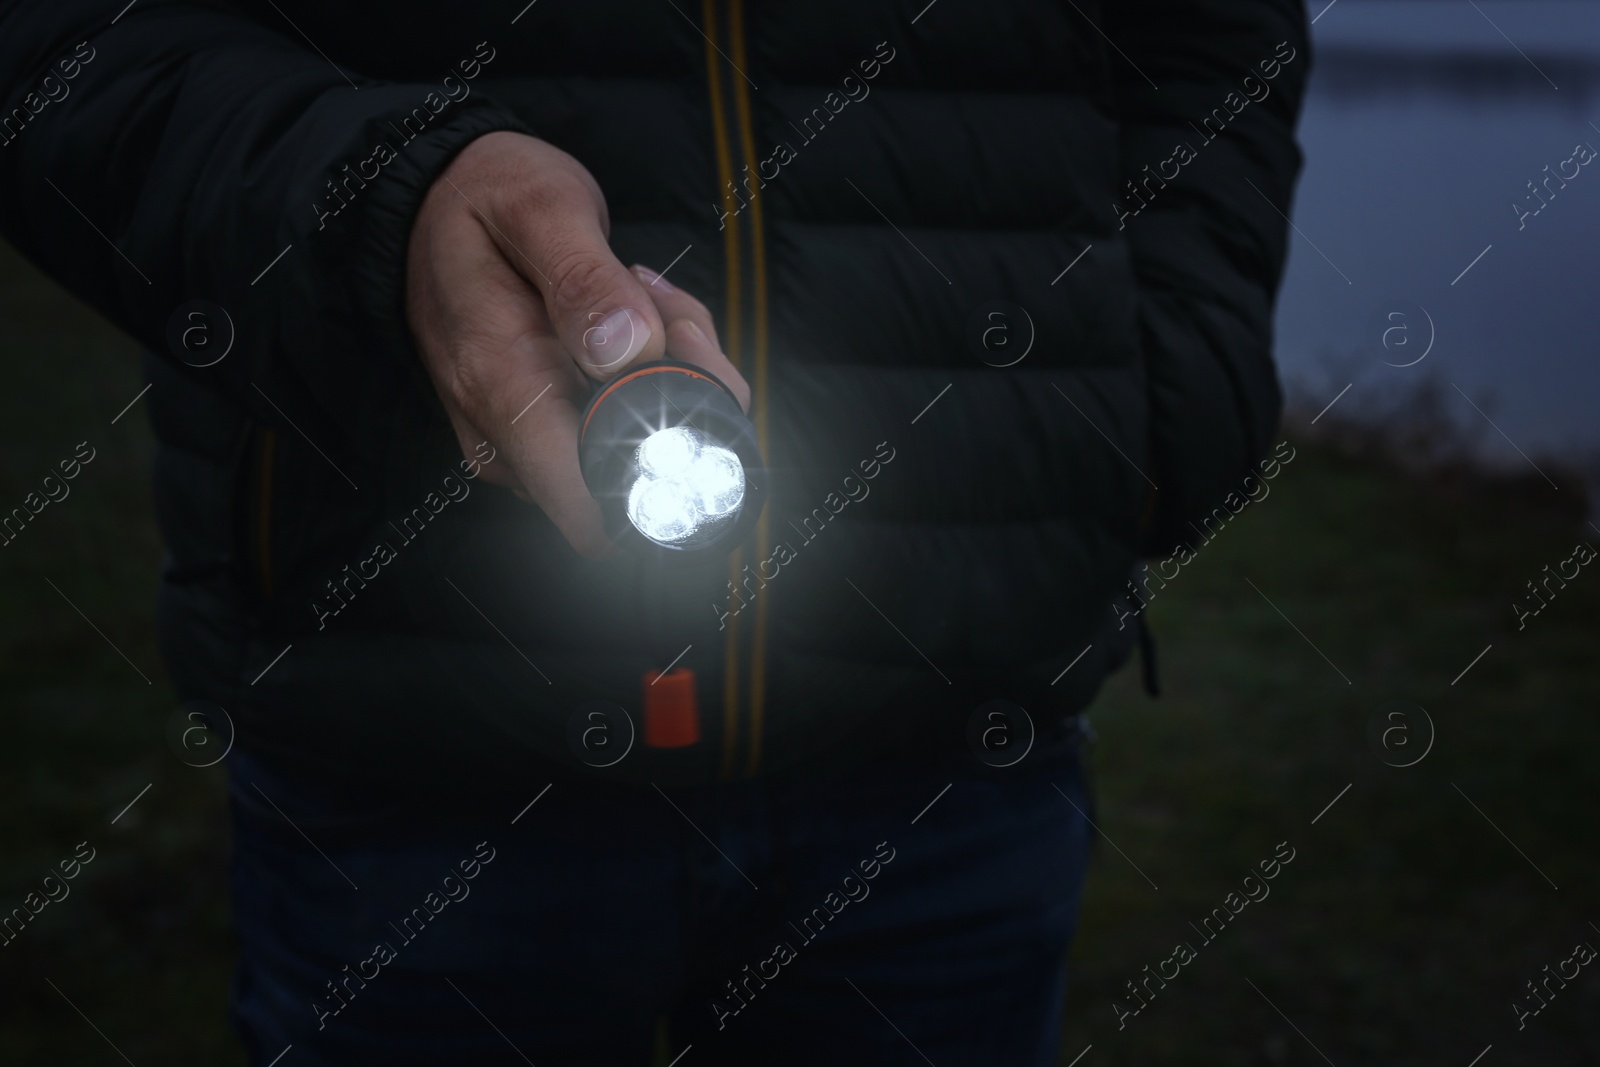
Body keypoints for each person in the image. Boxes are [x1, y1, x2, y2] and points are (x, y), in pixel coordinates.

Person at [0, 0, 1308, 1062]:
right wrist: (378, 203)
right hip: (422, 732)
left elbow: (1208, 30)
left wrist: (1166, 389)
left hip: (950, 742)